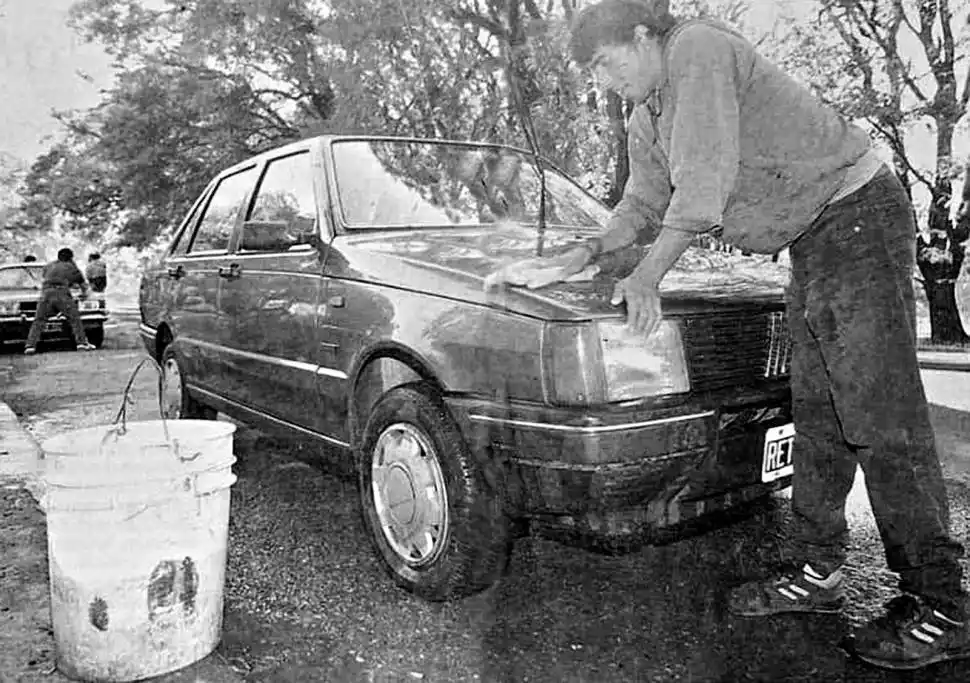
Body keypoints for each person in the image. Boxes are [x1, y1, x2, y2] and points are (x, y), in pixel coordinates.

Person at [539, 0, 968, 671]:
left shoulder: (695, 50)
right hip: (810, 238)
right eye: (592, 71)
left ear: (643, 35)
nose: (603, 79)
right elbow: (643, 204)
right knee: (820, 413)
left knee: (879, 412)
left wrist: (648, 276)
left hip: (856, 214)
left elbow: (701, 189)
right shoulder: (646, 115)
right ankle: (818, 569)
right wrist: (590, 249)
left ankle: (943, 604)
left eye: (605, 60)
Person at [24, 247, 96, 355]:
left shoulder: (48, 266)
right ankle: (81, 343)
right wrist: (84, 295)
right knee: (74, 319)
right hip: (61, 293)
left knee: (39, 320)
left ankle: (30, 345)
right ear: (70, 258)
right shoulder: (71, 267)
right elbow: (82, 284)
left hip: (46, 293)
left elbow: (45, 277)